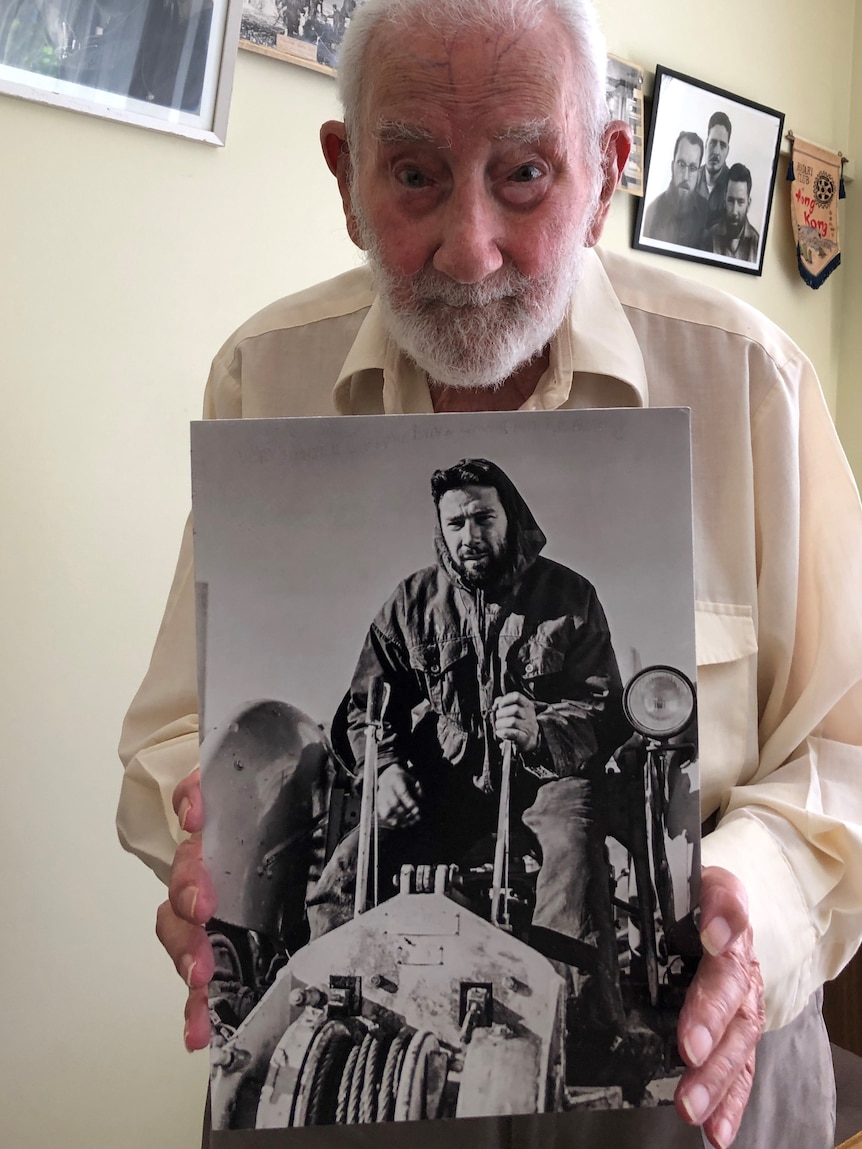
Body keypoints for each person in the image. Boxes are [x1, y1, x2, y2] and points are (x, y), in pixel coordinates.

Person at [117, 1, 862, 1147]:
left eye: (524, 174)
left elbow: (842, 759)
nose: (470, 250)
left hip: (696, 1072)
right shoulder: (264, 379)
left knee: (567, 826)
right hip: (399, 988)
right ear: (344, 173)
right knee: (339, 821)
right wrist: (213, 844)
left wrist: (747, 909)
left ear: (608, 170)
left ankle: (573, 998)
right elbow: (203, 731)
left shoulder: (752, 387)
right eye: (413, 174)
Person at [307, 457, 631, 1039]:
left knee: (574, 849)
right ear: (441, 530)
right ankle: (337, 1025)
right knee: (347, 871)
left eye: (483, 517)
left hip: (546, 781)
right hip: (448, 786)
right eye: (455, 524)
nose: (470, 536)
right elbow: (365, 707)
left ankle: (573, 1030)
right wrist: (384, 772)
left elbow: (604, 708)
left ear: (511, 516)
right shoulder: (411, 603)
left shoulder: (570, 595)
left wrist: (541, 728)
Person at [641, 131, 709, 248]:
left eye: (692, 168)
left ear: (698, 173)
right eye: (681, 164)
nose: (685, 176)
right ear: (672, 166)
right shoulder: (653, 211)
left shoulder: (706, 212)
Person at [702, 163, 761, 263]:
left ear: (749, 204)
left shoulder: (758, 244)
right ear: (724, 200)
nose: (734, 211)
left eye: (740, 202)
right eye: (730, 200)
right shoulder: (709, 237)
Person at [694, 111, 733, 230]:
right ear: (706, 144)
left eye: (722, 145)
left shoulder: (734, 186)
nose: (716, 151)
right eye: (713, 143)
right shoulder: (692, 178)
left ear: (727, 151)